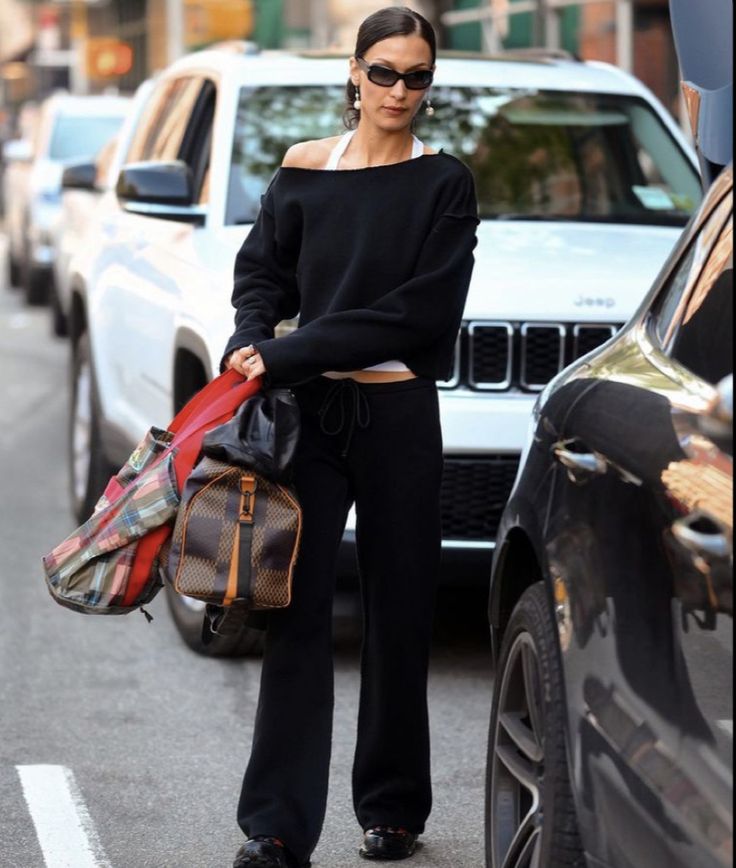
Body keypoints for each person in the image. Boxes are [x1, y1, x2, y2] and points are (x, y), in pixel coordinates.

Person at [222, 7, 479, 867]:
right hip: (309, 421)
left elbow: (417, 315)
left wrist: (286, 349)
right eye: (384, 72)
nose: (399, 91)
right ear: (354, 72)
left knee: (400, 609)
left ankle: (394, 809)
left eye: (417, 77)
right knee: (293, 613)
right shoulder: (302, 170)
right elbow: (261, 272)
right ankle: (277, 827)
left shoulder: (445, 182)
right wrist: (248, 340)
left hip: (398, 417)